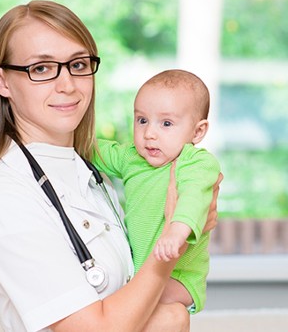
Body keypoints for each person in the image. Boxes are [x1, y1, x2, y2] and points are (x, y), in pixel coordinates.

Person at [0, 0, 221, 332]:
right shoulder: (3, 195)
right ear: (2, 82)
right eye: (41, 69)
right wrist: (169, 250)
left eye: (78, 64)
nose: (67, 84)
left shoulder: (95, 174)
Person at [93, 69, 220, 314]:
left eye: (166, 123)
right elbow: (94, 150)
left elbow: (194, 197)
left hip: (180, 275)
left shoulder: (195, 162)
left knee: (124, 309)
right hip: (141, 271)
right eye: (142, 120)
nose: (149, 133)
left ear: (198, 131)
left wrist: (176, 231)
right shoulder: (132, 157)